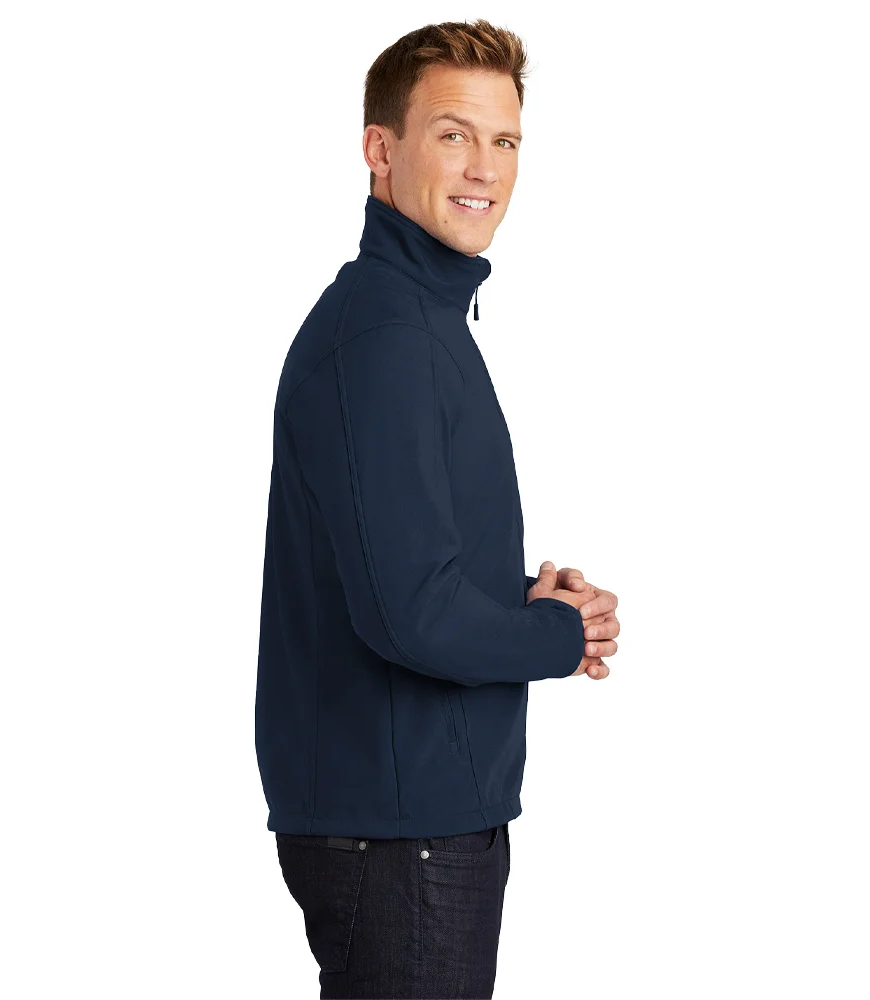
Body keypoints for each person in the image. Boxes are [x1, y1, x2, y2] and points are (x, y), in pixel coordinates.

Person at [256, 18, 620, 999]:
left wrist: (524, 600)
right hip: (400, 834)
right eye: (453, 134)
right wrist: (559, 635)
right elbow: (409, 611)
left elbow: (399, 562)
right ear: (380, 149)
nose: (485, 169)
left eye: (504, 141)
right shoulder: (389, 338)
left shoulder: (416, 321)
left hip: (407, 819)